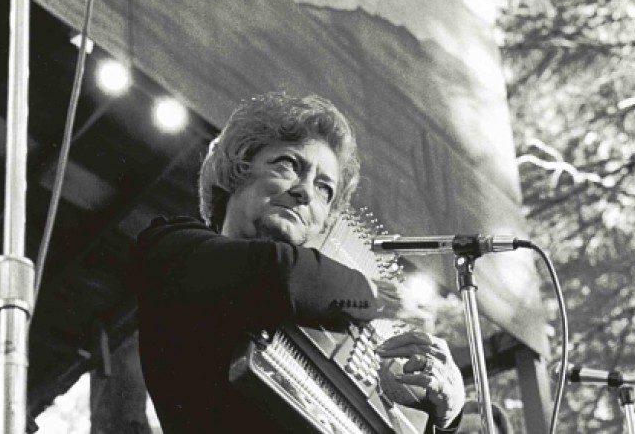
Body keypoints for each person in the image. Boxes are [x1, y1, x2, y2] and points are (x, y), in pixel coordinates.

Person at [131, 92, 465, 433]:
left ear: (323, 222)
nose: (305, 192)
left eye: (325, 189)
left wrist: (445, 418)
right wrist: (372, 294)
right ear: (238, 168)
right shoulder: (172, 246)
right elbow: (280, 271)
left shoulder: (317, 320)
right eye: (288, 164)